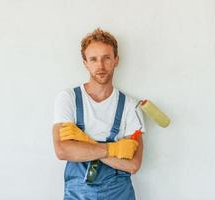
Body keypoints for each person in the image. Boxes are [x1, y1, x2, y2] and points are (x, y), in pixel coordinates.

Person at [52, 28, 145, 200]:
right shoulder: (68, 98)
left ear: (116, 60)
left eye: (106, 58)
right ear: (85, 63)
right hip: (77, 194)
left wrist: (82, 144)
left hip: (119, 194)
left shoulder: (130, 106)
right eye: (93, 59)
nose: (100, 66)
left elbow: (133, 164)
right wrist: (114, 149)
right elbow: (62, 150)